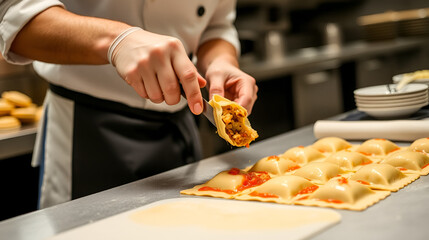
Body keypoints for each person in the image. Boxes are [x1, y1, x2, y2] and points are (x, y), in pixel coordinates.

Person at [0, 0, 258, 208]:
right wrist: (116, 40)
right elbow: (13, 13)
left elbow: (216, 26)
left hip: (179, 127)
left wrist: (221, 61)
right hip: (86, 134)